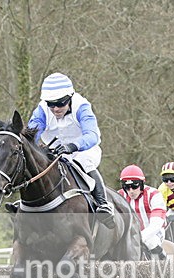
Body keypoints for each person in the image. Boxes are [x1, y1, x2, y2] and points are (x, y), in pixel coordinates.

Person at [17, 72, 114, 227]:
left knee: (82, 163)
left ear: (70, 97)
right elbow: (32, 134)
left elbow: (92, 135)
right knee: (36, 164)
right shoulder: (42, 110)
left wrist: (73, 146)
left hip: (83, 150)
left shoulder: (82, 107)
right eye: (51, 104)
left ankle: (103, 205)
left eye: (60, 103)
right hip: (55, 151)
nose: (55, 109)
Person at [117, 165, 168, 260]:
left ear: (141, 184)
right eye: (127, 187)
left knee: (150, 241)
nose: (131, 191)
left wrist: (139, 237)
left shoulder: (154, 195)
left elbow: (156, 224)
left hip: (154, 232)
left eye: (134, 186)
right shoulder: (119, 195)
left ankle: (165, 263)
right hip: (130, 233)